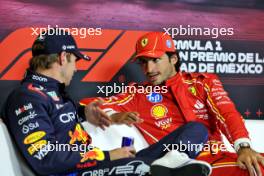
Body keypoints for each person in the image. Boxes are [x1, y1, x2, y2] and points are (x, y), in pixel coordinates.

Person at [2, 29, 212, 176]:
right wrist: (108, 156)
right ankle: (163, 167)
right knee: (148, 167)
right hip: (79, 172)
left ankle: (171, 160)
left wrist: (86, 113)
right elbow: (46, 159)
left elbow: (67, 114)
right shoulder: (26, 97)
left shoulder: (54, 93)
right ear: (63, 57)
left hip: (100, 166)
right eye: (75, 61)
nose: (76, 69)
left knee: (196, 130)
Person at [81, 32, 264, 176]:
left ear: (173, 59)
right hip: (164, 166)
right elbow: (91, 104)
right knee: (198, 130)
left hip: (213, 160)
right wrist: (114, 116)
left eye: (155, 60)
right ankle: (172, 162)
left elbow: (227, 113)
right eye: (143, 63)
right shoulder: (137, 93)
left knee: (257, 163)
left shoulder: (203, 82)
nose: (149, 69)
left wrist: (244, 148)